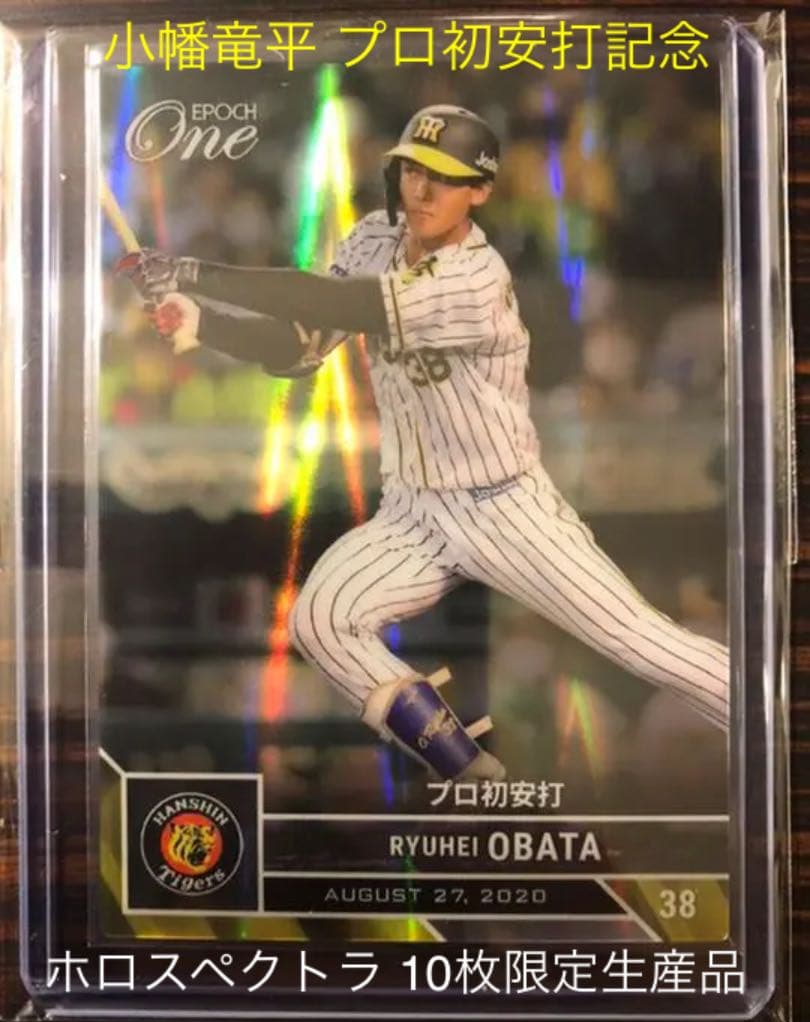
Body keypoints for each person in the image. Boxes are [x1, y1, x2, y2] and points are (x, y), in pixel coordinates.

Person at [118, 104, 729, 784]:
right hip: (413, 510)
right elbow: (301, 346)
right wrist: (203, 322)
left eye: (444, 177)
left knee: (638, 642)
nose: (422, 189)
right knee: (322, 620)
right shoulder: (375, 237)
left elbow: (343, 305)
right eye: (412, 170)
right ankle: (470, 776)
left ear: (481, 190)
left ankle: (764, 720)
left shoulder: (476, 277)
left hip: (503, 505)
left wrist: (193, 273)